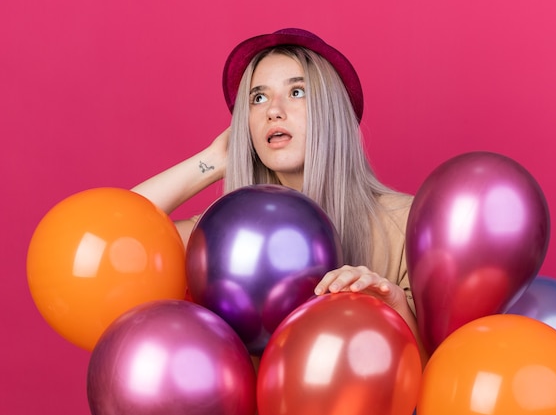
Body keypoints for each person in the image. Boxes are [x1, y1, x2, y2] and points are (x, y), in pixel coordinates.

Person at [132, 28, 425, 357]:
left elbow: (432, 380)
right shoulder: (225, 236)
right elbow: (117, 236)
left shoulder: (410, 225)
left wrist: (393, 305)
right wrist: (213, 160)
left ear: (332, 112)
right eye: (258, 98)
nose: (273, 110)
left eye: (297, 92)